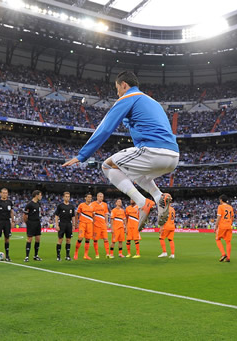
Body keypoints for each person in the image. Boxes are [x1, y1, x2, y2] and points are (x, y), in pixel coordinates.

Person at [62, 71, 179, 231]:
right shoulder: (153, 102)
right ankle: (159, 197)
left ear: (124, 85)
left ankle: (142, 203)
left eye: (117, 89)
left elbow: (105, 128)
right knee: (134, 173)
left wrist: (82, 155)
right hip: (173, 156)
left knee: (107, 166)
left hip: (153, 151)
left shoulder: (128, 97)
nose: (117, 93)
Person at [54, 192, 75, 261]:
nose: (67, 198)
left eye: (68, 196)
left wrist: (74, 225)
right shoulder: (60, 206)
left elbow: (73, 217)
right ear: (63, 197)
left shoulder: (72, 206)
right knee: (60, 240)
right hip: (62, 224)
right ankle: (58, 256)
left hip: (69, 224)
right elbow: (56, 216)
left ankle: (67, 255)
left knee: (68, 240)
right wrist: (56, 225)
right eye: (66, 196)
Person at [23, 190, 43, 262]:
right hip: (31, 223)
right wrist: (27, 223)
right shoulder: (29, 204)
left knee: (38, 239)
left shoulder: (38, 204)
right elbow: (25, 215)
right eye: (40, 195)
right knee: (29, 239)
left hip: (37, 223)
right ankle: (27, 256)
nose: (41, 196)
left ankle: (36, 255)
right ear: (36, 195)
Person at [75, 193, 94, 260]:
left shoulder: (93, 206)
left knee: (88, 239)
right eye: (88, 197)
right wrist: (76, 223)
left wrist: (93, 224)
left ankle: (86, 255)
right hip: (82, 223)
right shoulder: (81, 205)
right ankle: (76, 253)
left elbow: (93, 216)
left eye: (90, 197)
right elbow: (77, 214)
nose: (89, 198)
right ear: (85, 198)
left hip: (89, 224)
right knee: (80, 238)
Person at [215, 195, 234, 262]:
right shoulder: (230, 207)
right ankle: (228, 257)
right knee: (228, 242)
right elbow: (232, 218)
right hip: (229, 225)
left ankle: (223, 254)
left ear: (221, 200)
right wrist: (230, 224)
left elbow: (219, 217)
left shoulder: (220, 207)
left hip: (222, 225)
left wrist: (216, 226)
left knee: (217, 239)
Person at [91, 192, 110, 259]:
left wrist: (107, 222)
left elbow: (106, 214)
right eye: (100, 196)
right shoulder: (93, 204)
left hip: (103, 225)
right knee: (95, 240)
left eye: (102, 196)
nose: (101, 198)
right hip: (96, 225)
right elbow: (91, 214)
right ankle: (97, 254)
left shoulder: (105, 204)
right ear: (97, 197)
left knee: (106, 239)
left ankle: (107, 253)